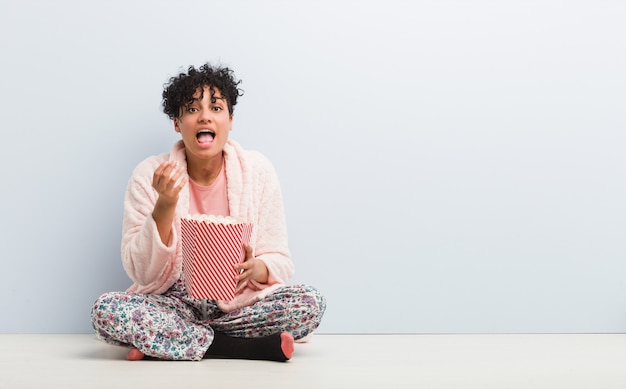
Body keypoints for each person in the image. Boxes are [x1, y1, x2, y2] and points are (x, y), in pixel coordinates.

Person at [91, 63, 326, 362]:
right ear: (177, 122)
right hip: (175, 301)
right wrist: (164, 204)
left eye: (216, 107)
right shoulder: (149, 174)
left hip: (239, 300)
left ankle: (170, 341)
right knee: (105, 310)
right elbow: (141, 272)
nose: (204, 116)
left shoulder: (258, 171)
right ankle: (240, 347)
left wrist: (258, 268)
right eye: (191, 109)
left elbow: (279, 257)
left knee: (309, 302)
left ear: (230, 119)